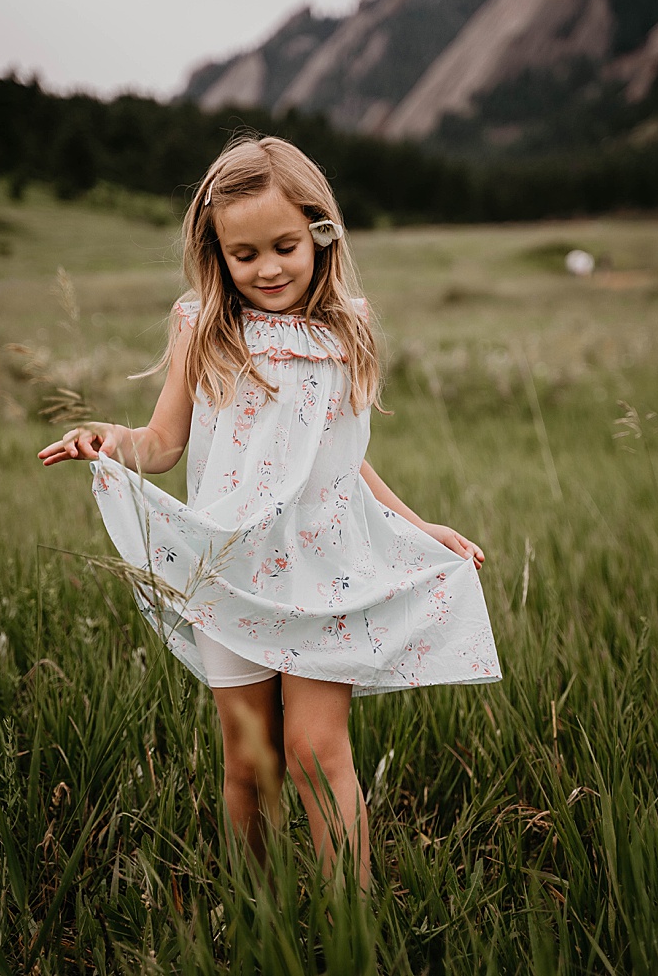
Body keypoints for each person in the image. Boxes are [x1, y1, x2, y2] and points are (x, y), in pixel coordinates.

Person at [38, 135, 500, 889]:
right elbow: (159, 442)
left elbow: (338, 457)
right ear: (218, 254)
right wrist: (106, 439)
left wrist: (420, 526)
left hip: (325, 569)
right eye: (244, 254)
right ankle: (254, 906)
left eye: (285, 245)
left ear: (321, 232)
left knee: (319, 749)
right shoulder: (204, 327)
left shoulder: (344, 330)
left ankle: (348, 917)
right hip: (233, 570)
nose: (269, 268)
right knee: (249, 759)